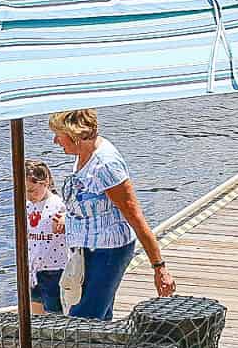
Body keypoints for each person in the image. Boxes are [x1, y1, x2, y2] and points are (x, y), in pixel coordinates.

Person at [49, 108, 174, 319]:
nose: (55, 141)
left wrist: (159, 267)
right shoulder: (83, 153)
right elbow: (88, 200)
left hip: (107, 252)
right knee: (98, 317)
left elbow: (135, 216)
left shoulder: (105, 165)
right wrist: (68, 218)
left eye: (58, 135)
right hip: (86, 248)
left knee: (84, 320)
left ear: (75, 136)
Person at [24, 160, 70, 314]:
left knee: (54, 314)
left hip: (54, 270)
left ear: (46, 182)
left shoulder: (58, 205)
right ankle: (37, 336)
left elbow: (74, 224)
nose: (28, 196)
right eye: (24, 191)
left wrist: (66, 220)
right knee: (35, 311)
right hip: (32, 269)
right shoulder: (27, 205)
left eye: (32, 190)